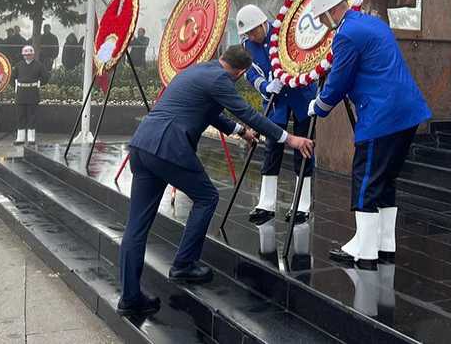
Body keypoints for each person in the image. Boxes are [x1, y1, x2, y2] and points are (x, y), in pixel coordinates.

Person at [117, 46, 315, 317]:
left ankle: (130, 298)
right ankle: (184, 264)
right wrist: (289, 139)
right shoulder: (222, 79)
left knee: (136, 226)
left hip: (142, 146)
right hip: (169, 148)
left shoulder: (200, 69)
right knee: (207, 197)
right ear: (241, 72)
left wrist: (240, 132)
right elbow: (248, 112)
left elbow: (210, 112)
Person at [306, 0, 431, 270]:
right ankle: (385, 244)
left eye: (324, 17)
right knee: (385, 179)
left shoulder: (347, 34)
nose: (325, 24)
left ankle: (364, 250)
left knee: (365, 180)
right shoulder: (372, 23)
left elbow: (339, 80)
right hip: (407, 112)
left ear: (332, 10)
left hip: (381, 116)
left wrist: (320, 105)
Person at [236, 5, 317, 225]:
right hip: (276, 100)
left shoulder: (285, 33)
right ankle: (266, 204)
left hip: (301, 94)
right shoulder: (247, 46)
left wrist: (291, 74)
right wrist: (265, 86)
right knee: (272, 147)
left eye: (254, 31)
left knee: (304, 148)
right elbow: (249, 73)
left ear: (264, 23)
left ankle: (302, 205)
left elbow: (305, 56)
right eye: (248, 33)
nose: (252, 36)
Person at [13, 45, 50, 145]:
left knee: (32, 116)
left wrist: (38, 83)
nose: (27, 56)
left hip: (32, 93)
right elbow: (13, 77)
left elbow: (45, 77)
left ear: (33, 54)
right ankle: (20, 138)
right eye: (25, 54)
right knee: (20, 116)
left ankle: (31, 138)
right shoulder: (18, 65)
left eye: (29, 54)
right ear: (23, 55)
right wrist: (16, 87)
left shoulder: (39, 65)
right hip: (21, 94)